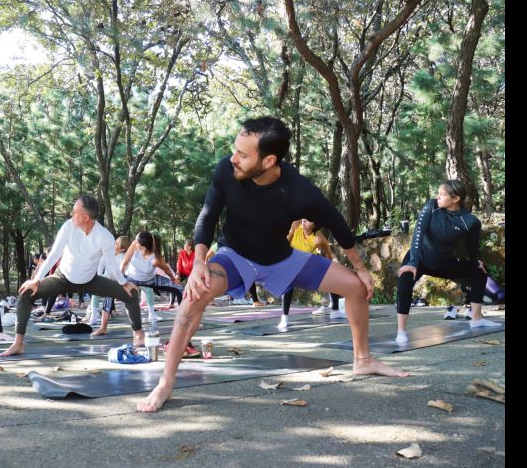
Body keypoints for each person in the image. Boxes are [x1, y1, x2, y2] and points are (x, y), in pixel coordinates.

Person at [136, 116, 408, 412]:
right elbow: (208, 215)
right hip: (235, 257)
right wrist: (200, 261)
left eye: (242, 154)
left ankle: (363, 360)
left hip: (282, 259)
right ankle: (166, 384)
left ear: (268, 161)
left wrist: (362, 270)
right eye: (235, 150)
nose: (233, 159)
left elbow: (338, 225)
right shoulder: (226, 172)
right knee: (193, 295)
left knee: (356, 288)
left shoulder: (298, 190)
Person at [0, 195, 143, 357]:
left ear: (86, 217)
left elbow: (111, 265)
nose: (71, 215)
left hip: (90, 281)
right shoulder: (69, 227)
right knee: (26, 294)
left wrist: (124, 283)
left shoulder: (104, 236)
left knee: (131, 294)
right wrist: (36, 279)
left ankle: (138, 334)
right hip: (62, 278)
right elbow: (54, 254)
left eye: (75, 212)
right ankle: (18, 343)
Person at [394, 180, 498, 343]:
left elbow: (472, 246)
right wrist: (413, 262)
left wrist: (474, 261)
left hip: (443, 262)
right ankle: (401, 331)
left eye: (442, 194)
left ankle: (476, 319)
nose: (437, 197)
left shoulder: (470, 222)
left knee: (479, 272)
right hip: (419, 258)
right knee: (405, 280)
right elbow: (418, 233)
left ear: (455, 198)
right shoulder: (432, 206)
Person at [278, 219, 344, 329]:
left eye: (308, 221)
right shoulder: (296, 225)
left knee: (332, 273)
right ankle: (284, 318)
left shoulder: (319, 239)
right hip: (292, 263)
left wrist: (333, 269)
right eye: (304, 218)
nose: (303, 221)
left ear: (315, 225)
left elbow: (329, 256)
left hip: (309, 265)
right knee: (288, 280)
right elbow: (285, 244)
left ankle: (335, 311)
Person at [120, 231, 181, 330]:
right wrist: (120, 280)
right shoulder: (134, 245)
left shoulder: (155, 259)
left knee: (179, 289)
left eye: (137, 242)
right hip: (131, 278)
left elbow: (167, 270)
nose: (135, 242)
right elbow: (124, 263)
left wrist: (174, 280)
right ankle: (103, 326)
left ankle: (186, 321)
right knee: (111, 289)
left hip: (150, 280)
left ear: (143, 247)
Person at [89, 236, 131, 335]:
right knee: (95, 291)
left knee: (109, 293)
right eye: (115, 242)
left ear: (122, 249)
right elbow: (101, 265)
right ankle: (93, 317)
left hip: (118, 281)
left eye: (116, 244)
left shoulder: (124, 257)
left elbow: (121, 273)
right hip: (106, 278)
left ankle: (103, 327)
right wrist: (99, 278)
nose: (114, 244)